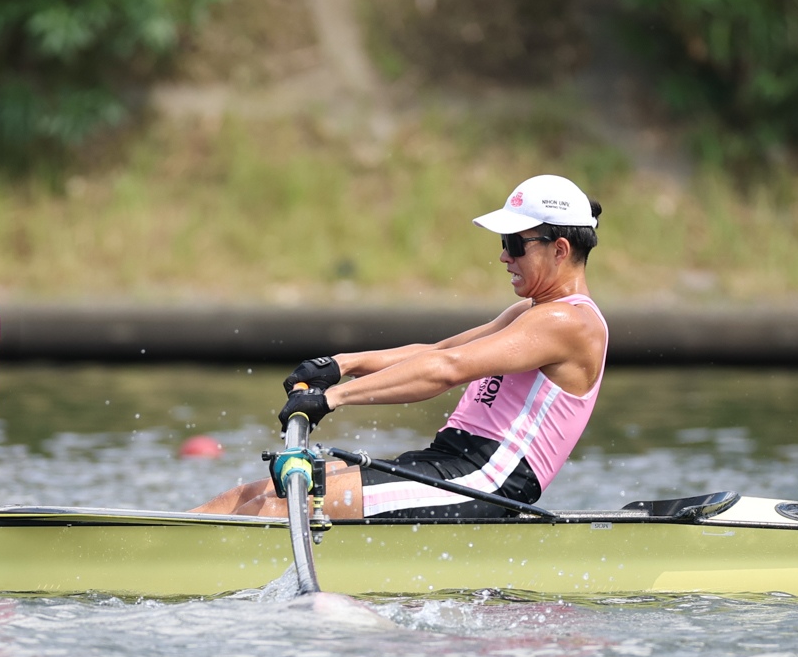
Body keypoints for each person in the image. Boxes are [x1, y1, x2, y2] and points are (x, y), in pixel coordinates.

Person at [194, 174, 608, 522]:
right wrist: (339, 365)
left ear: (559, 249)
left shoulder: (570, 323)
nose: (503, 256)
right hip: (447, 462)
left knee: (280, 507)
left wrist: (333, 399)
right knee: (248, 495)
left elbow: (446, 369)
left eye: (515, 243)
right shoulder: (530, 312)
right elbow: (438, 349)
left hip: (487, 480)